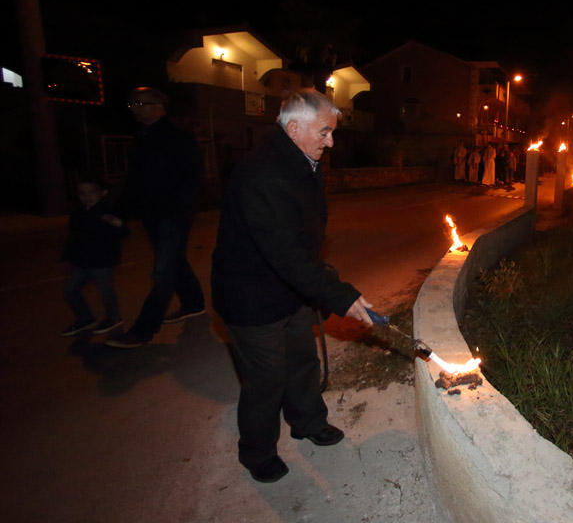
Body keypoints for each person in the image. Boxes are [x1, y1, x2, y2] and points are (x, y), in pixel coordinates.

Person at [211, 88, 374, 483]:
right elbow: (284, 253)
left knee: (303, 361)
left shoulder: (301, 160)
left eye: (332, 133)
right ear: (295, 128)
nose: (330, 142)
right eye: (324, 132)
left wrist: (317, 281)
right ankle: (257, 452)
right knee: (266, 380)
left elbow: (301, 239)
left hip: (290, 288)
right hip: (252, 297)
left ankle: (307, 421)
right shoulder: (263, 174)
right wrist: (339, 294)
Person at [106, 87, 206, 348]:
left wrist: (180, 208)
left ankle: (143, 330)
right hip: (152, 214)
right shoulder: (143, 137)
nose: (135, 109)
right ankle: (193, 303)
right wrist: (120, 211)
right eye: (132, 104)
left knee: (164, 271)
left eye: (141, 103)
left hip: (173, 214)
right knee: (174, 260)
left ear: (159, 107)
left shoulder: (177, 138)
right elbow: (135, 180)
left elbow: (192, 177)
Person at [60, 177, 128, 337]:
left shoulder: (107, 211)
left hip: (102, 261)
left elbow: (123, 232)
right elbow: (73, 237)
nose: (87, 196)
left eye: (92, 192)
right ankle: (86, 318)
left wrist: (118, 224)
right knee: (70, 289)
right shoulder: (78, 213)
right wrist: (67, 257)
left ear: (103, 192)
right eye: (82, 193)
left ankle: (113, 317)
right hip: (81, 261)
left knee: (105, 291)